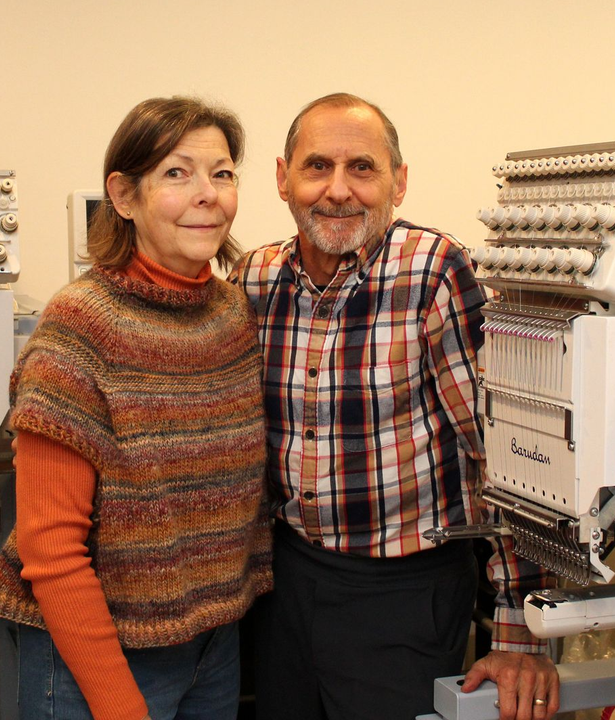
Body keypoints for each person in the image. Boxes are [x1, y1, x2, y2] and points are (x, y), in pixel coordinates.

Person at [230, 93, 559, 720]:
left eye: (362, 168)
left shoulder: (434, 272)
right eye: (316, 166)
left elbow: (501, 457)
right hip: (286, 584)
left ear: (398, 182)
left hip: (402, 593)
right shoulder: (256, 278)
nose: (337, 189)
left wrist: (520, 632)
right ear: (282, 178)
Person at [0, 97, 273, 720]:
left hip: (211, 645)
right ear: (123, 195)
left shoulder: (230, 314)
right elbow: (52, 549)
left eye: (222, 173)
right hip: (97, 658)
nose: (208, 194)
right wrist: (117, 703)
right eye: (176, 173)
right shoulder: (81, 327)